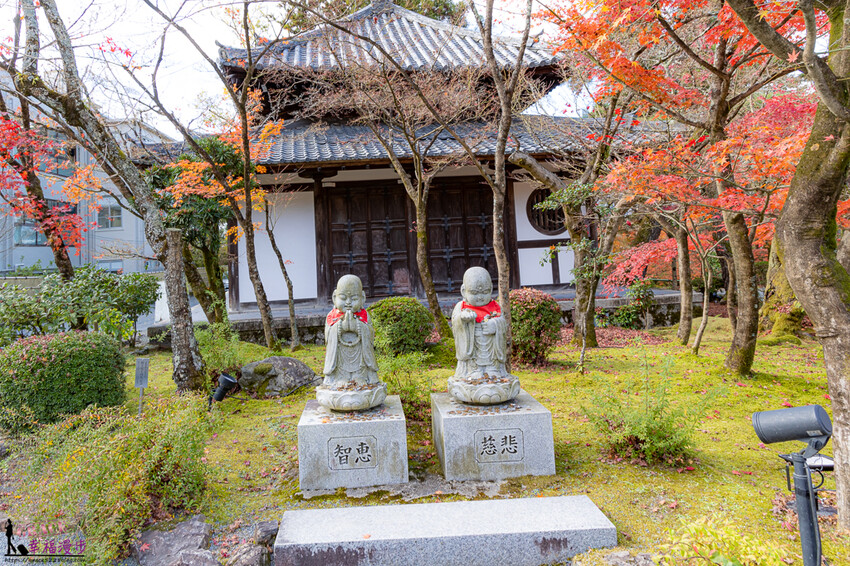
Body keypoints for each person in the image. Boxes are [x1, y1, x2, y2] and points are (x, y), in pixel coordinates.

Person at [451, 266, 509, 380]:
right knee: (472, 371)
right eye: (474, 293)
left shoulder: (495, 307)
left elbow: (503, 324)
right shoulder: (461, 307)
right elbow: (456, 325)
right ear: (464, 291)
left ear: (491, 289)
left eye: (485, 292)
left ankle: (493, 368)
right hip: (472, 354)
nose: (480, 297)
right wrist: (462, 320)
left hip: (491, 353)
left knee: (493, 370)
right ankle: (473, 370)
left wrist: (496, 325)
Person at [323, 274, 379, 387]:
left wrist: (358, 327)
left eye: (354, 299)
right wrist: (340, 328)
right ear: (334, 297)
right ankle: (340, 377)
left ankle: (360, 376)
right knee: (340, 368)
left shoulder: (364, 316)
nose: (348, 302)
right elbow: (328, 338)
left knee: (361, 370)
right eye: (343, 298)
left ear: (362, 298)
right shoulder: (331, 316)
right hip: (340, 362)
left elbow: (370, 335)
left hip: (360, 363)